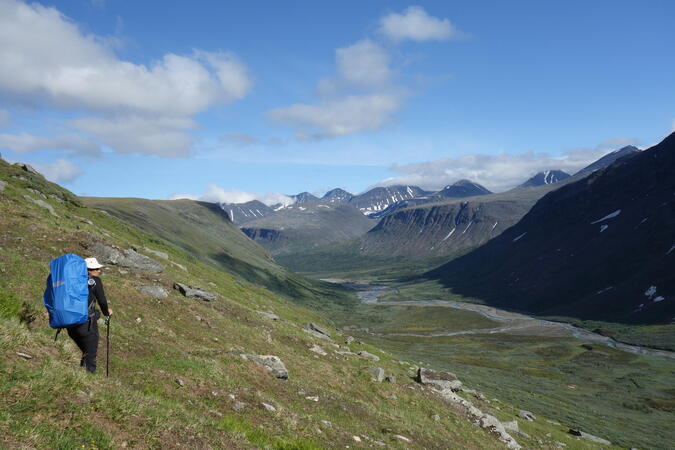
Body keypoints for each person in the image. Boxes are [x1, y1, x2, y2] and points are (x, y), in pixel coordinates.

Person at [66, 257, 113, 373]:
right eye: (96, 268)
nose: (99, 271)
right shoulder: (95, 281)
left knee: (86, 350)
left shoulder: (72, 279)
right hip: (86, 322)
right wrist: (106, 312)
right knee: (91, 352)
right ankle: (89, 379)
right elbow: (102, 300)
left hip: (69, 321)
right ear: (89, 270)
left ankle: (81, 374)